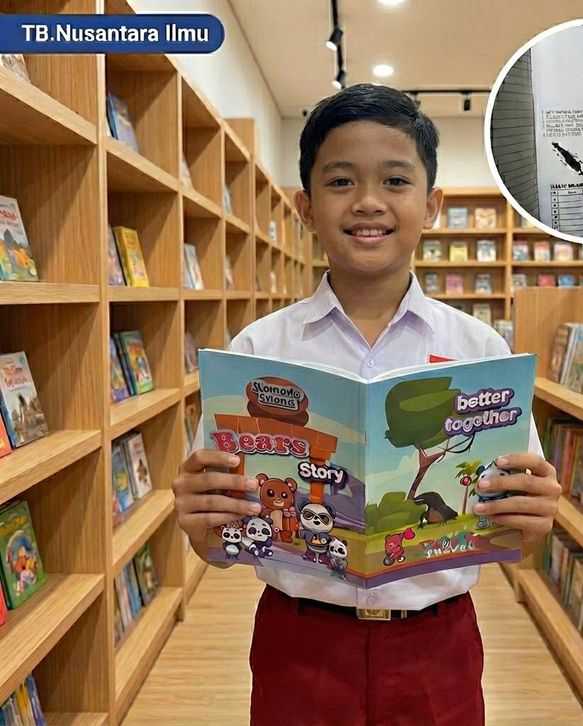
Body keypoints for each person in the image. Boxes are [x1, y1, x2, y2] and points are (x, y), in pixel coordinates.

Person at [172, 83, 561, 726]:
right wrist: (200, 525)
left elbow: (518, 540)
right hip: (299, 643)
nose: (369, 202)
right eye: (341, 181)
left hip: (437, 644)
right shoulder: (258, 350)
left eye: (396, 180)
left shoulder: (481, 350)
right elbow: (217, 543)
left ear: (431, 205)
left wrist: (534, 519)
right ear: (305, 207)